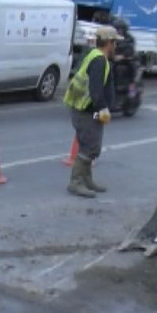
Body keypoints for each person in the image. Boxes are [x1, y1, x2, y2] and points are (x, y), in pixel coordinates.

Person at [62, 26, 119, 198]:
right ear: (109, 43)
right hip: (86, 110)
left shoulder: (95, 56)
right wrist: (103, 109)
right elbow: (96, 90)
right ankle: (76, 182)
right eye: (115, 42)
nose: (116, 46)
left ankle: (87, 180)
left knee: (90, 146)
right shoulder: (99, 61)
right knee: (90, 147)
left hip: (84, 108)